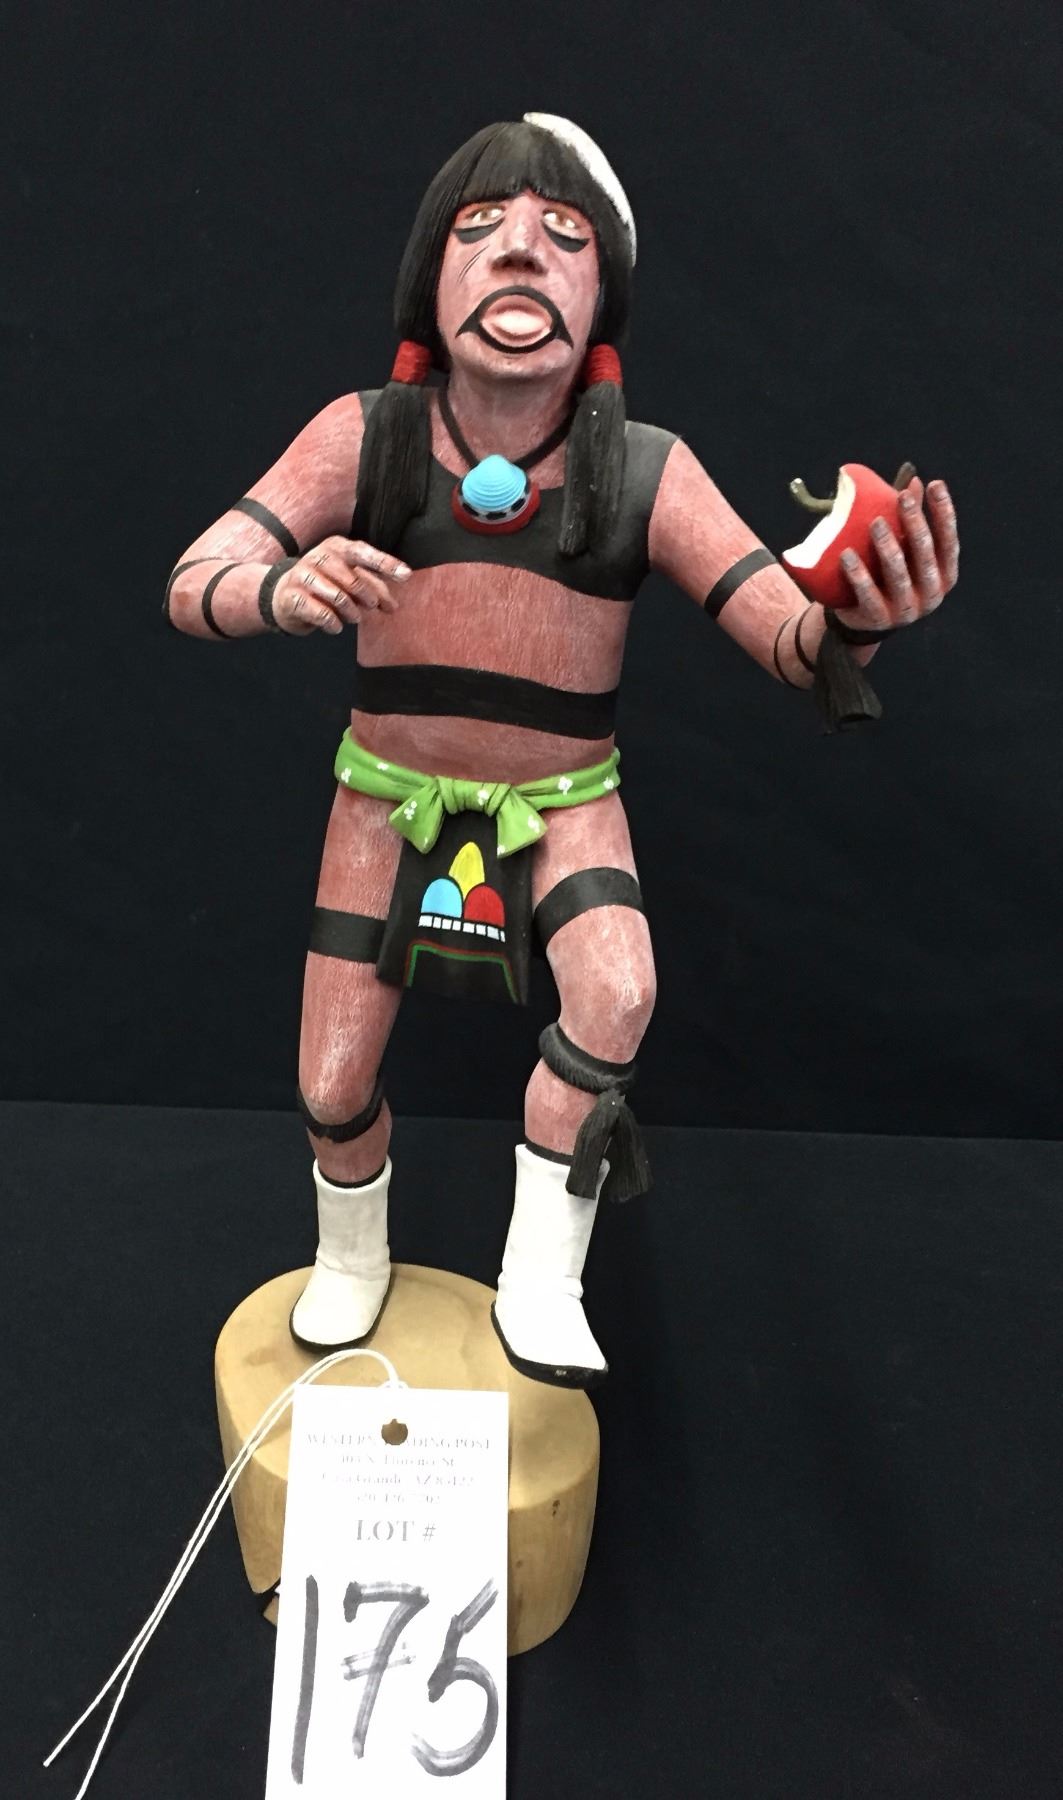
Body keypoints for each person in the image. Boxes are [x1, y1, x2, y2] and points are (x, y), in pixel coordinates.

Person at [166, 115, 959, 1388]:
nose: (519, 254)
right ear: (428, 276)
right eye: (479, 228)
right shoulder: (363, 438)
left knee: (617, 992)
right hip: (384, 800)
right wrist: (276, 587)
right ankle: (350, 1254)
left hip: (563, 798)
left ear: (603, 302)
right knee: (329, 1082)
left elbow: (786, 634)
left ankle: (543, 1268)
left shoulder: (643, 472)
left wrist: (859, 609)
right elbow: (194, 577)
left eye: (564, 235)